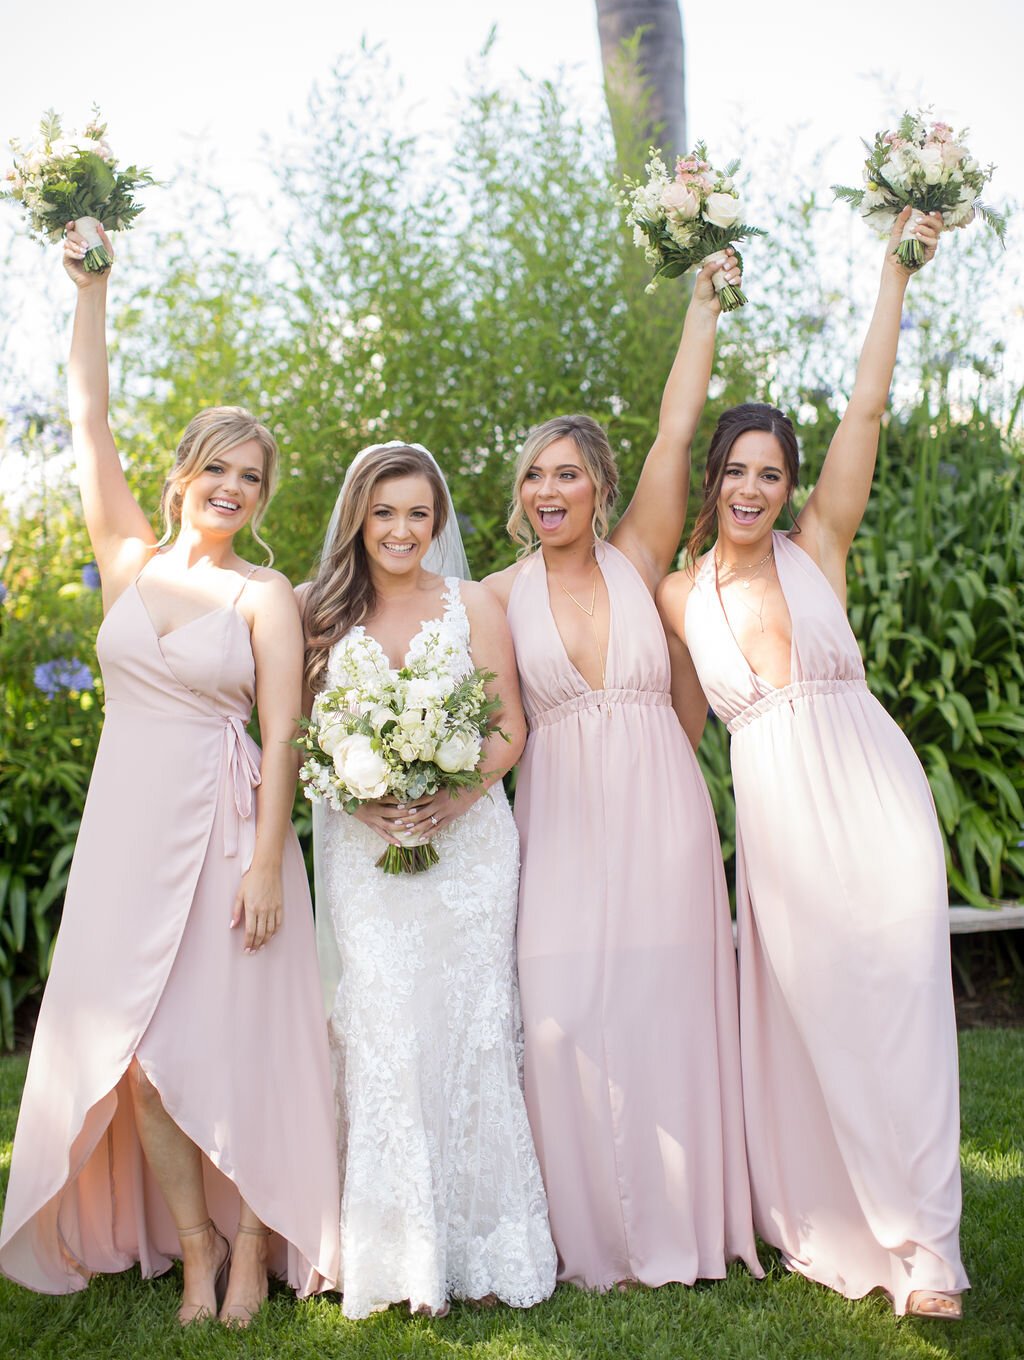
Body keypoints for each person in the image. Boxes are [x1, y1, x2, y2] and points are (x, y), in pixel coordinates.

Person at [0, 224, 339, 1325]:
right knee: (136, 1057)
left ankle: (251, 1247)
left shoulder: (265, 595)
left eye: (253, 476)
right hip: (124, 831)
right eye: (219, 470)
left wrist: (266, 870)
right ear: (184, 474)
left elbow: (283, 733)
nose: (234, 488)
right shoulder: (130, 561)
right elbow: (88, 415)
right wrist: (91, 288)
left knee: (226, 1042)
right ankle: (193, 1246)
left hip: (225, 832)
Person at [658, 209, 967, 1320]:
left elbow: (870, 406)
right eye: (737, 471)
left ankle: (928, 1246)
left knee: (902, 1008)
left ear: (791, 485)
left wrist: (893, 271)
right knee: (822, 1014)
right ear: (714, 476)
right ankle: (833, 1213)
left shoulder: (820, 547)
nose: (752, 489)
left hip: (873, 792)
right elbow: (673, 728)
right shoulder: (678, 595)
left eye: (771, 473)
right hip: (779, 822)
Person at [483, 256, 761, 1289]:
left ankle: (686, 1224)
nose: (546, 489)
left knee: (665, 1005)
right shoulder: (496, 594)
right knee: (560, 1018)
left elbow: (679, 427)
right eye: (532, 475)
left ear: (600, 486)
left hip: (662, 810)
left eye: (566, 472)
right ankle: (584, 1233)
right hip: (556, 824)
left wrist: (702, 302)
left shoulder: (638, 554)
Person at [300, 442, 556, 1320]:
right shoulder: (320, 614)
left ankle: (483, 1242)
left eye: (417, 512)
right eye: (384, 513)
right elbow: (306, 741)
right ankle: (395, 1252)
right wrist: (359, 801)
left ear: (437, 520)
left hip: (471, 851)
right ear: (358, 521)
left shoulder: (474, 603)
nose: (401, 529)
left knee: (471, 1030)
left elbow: (510, 727)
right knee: (385, 1030)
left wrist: (452, 797)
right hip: (364, 853)